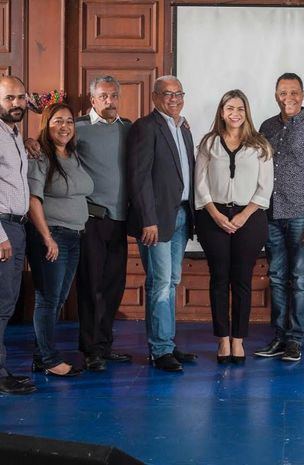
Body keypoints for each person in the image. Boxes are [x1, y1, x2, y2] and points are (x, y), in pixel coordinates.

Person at [254, 73, 304, 362]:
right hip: (271, 214)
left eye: (294, 92)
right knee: (276, 278)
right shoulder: (266, 127)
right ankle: (279, 337)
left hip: (302, 217)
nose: (289, 98)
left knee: (300, 280)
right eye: (283, 92)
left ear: (303, 94)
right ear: (276, 95)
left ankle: (295, 340)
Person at [194, 90, 273, 364]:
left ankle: (238, 340)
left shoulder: (260, 145)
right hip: (213, 216)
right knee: (218, 279)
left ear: (246, 112)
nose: (235, 113)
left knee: (241, 281)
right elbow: (200, 183)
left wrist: (244, 214)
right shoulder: (209, 143)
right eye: (229, 108)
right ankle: (222, 339)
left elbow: (266, 187)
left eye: (240, 108)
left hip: (249, 218)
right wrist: (215, 214)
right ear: (222, 112)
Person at [127, 75, 197, 372]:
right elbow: (139, 177)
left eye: (179, 93)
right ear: (155, 97)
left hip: (181, 215)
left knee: (172, 282)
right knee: (161, 284)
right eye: (167, 94)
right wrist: (148, 220)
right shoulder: (145, 127)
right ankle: (160, 350)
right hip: (156, 220)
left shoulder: (183, 128)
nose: (174, 99)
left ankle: (166, 343)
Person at [27, 103, 93, 377]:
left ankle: (43, 354)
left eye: (69, 121)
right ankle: (48, 359)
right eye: (57, 121)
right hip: (51, 235)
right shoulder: (40, 157)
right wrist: (46, 238)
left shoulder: (73, 156)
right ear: (46, 124)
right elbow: (33, 200)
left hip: (74, 235)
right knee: (48, 298)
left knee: (59, 297)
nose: (64, 127)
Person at [75, 76, 132, 371]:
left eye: (114, 96)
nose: (110, 101)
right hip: (92, 219)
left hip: (121, 220)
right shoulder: (77, 128)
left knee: (114, 286)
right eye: (103, 96)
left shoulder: (129, 129)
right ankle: (90, 349)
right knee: (90, 286)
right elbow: (51, 149)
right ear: (93, 99)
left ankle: (104, 345)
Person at [0, 76, 37, 394]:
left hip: (16, 224)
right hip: (3, 228)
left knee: (6, 303)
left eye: (20, 97)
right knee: (1, 304)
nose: (15, 103)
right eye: (8, 98)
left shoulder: (13, 133)